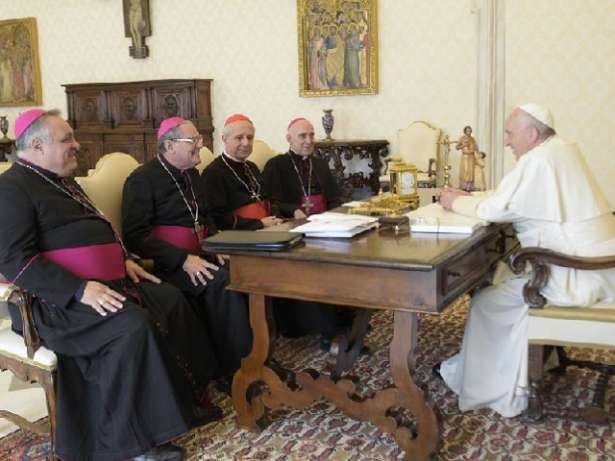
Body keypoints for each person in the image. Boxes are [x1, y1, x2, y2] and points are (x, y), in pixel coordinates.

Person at [0, 109, 221, 461]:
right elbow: (14, 259)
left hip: (109, 282)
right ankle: (135, 444)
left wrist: (123, 260)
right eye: (67, 139)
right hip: (54, 302)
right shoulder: (12, 188)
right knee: (131, 325)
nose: (77, 144)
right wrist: (78, 289)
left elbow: (97, 231)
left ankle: (186, 403)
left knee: (170, 300)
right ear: (37, 145)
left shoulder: (62, 181)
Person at [436, 104, 615, 418]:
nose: (507, 141)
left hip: (575, 277)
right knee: (502, 279)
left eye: (510, 134)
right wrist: (466, 198)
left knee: (485, 301)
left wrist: (453, 201)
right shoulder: (562, 149)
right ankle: (535, 359)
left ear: (531, 134)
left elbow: (497, 210)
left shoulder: (537, 161)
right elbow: (508, 200)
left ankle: (489, 386)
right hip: (599, 268)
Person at [122, 116, 252, 381]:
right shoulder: (142, 179)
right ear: (170, 146)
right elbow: (135, 236)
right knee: (221, 282)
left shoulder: (192, 174)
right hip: (167, 263)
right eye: (193, 140)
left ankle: (256, 355)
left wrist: (214, 243)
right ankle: (237, 371)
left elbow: (206, 218)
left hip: (201, 252)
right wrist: (182, 259)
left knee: (245, 269)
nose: (201, 145)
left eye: (199, 139)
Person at [201, 114, 283, 230]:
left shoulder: (252, 167)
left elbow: (268, 200)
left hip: (268, 228)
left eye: (250, 137)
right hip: (241, 234)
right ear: (224, 139)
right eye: (239, 138)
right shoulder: (213, 173)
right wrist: (259, 223)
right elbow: (217, 219)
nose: (246, 143)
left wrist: (276, 218)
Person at [263, 117, 341, 219]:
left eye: (311, 135)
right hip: (293, 222)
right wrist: (293, 210)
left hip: (326, 221)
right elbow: (270, 204)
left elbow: (334, 198)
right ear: (289, 139)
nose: (309, 141)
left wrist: (335, 216)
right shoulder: (276, 164)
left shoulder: (320, 164)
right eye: (303, 136)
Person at [455, 125, 478, 191]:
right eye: (468, 131)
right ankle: (464, 187)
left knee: (471, 172)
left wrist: (477, 153)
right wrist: (463, 145)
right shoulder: (462, 138)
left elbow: (476, 147)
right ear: (465, 131)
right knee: (465, 171)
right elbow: (457, 147)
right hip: (465, 157)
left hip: (472, 156)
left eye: (470, 131)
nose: (469, 132)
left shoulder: (472, 139)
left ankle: (470, 187)